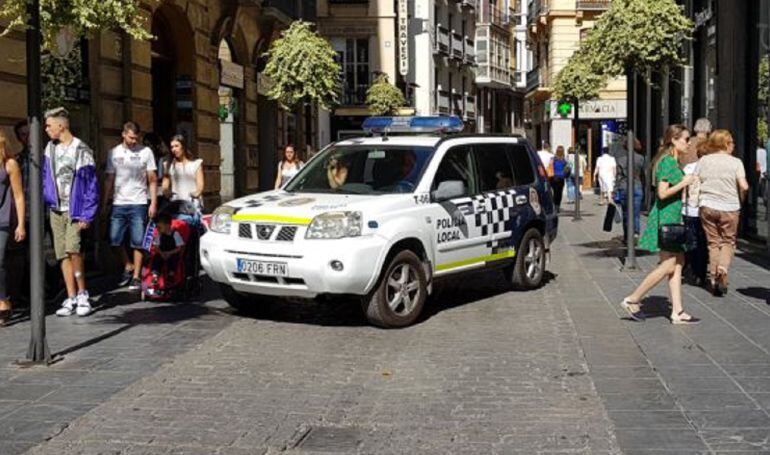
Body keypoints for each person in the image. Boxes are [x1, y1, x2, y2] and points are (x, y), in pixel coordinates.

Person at [620, 124, 699, 325]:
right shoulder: (667, 162)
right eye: (686, 139)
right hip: (666, 217)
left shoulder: (671, 161)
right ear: (674, 139)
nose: (689, 143)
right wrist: (685, 183)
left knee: (677, 264)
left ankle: (678, 311)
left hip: (672, 216)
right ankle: (633, 298)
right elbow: (662, 193)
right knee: (670, 264)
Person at [42, 107, 99, 317]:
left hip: (74, 209)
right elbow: (46, 176)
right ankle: (71, 295)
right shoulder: (50, 148)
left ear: (61, 125)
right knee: (62, 254)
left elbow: (91, 184)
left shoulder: (81, 149)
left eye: (49, 125)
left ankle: (83, 293)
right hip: (56, 208)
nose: (46, 129)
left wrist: (87, 214)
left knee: (74, 249)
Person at [103, 122, 158, 291]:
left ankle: (136, 276)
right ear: (123, 134)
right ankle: (128, 265)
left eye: (136, 138)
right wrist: (105, 202)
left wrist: (153, 202)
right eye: (130, 137)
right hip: (119, 202)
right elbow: (109, 179)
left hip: (139, 202)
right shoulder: (113, 153)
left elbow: (152, 179)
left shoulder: (146, 152)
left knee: (137, 241)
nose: (134, 141)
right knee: (114, 240)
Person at [697, 129, 749, 296]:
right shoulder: (735, 162)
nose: (733, 145)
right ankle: (723, 269)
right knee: (728, 241)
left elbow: (695, 181)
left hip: (707, 206)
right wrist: (741, 198)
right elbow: (744, 186)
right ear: (726, 144)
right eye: (731, 142)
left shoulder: (704, 160)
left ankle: (713, 279)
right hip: (729, 207)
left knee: (713, 243)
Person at [680, 118, 710, 286]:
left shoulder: (688, 142)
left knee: (691, 235)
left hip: (688, 194)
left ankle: (688, 262)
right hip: (705, 200)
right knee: (704, 237)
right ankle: (703, 269)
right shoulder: (711, 144)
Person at [0, 131, 26, 325]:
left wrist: (20, 224)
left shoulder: (10, 164)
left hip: (2, 220)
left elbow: (18, 195)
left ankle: (3, 300)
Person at [613, 137, 646, 242]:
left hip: (624, 187)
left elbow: (618, 176)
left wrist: (615, 190)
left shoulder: (620, 159)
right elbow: (644, 174)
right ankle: (635, 233)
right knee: (636, 213)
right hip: (637, 186)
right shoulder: (641, 158)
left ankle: (627, 236)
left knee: (626, 213)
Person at [162, 134, 204, 213]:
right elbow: (165, 185)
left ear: (183, 146)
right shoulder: (168, 165)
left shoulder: (196, 164)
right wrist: (167, 192)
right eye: (172, 147)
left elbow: (200, 186)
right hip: (176, 205)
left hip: (192, 204)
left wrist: (196, 194)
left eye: (176, 146)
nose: (174, 149)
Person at [150, 212, 185, 285]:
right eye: (157, 227)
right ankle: (155, 276)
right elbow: (156, 246)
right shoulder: (159, 235)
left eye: (159, 227)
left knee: (173, 260)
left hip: (172, 252)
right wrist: (162, 253)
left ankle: (171, 275)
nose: (157, 229)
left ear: (168, 226)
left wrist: (169, 253)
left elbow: (179, 247)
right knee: (156, 259)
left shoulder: (175, 234)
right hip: (162, 252)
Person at [549, 146, 570, 211]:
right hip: (561, 178)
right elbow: (567, 168)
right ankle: (557, 206)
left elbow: (550, 166)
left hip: (554, 178)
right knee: (559, 193)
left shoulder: (553, 159)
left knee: (554, 192)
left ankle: (554, 205)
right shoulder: (564, 160)